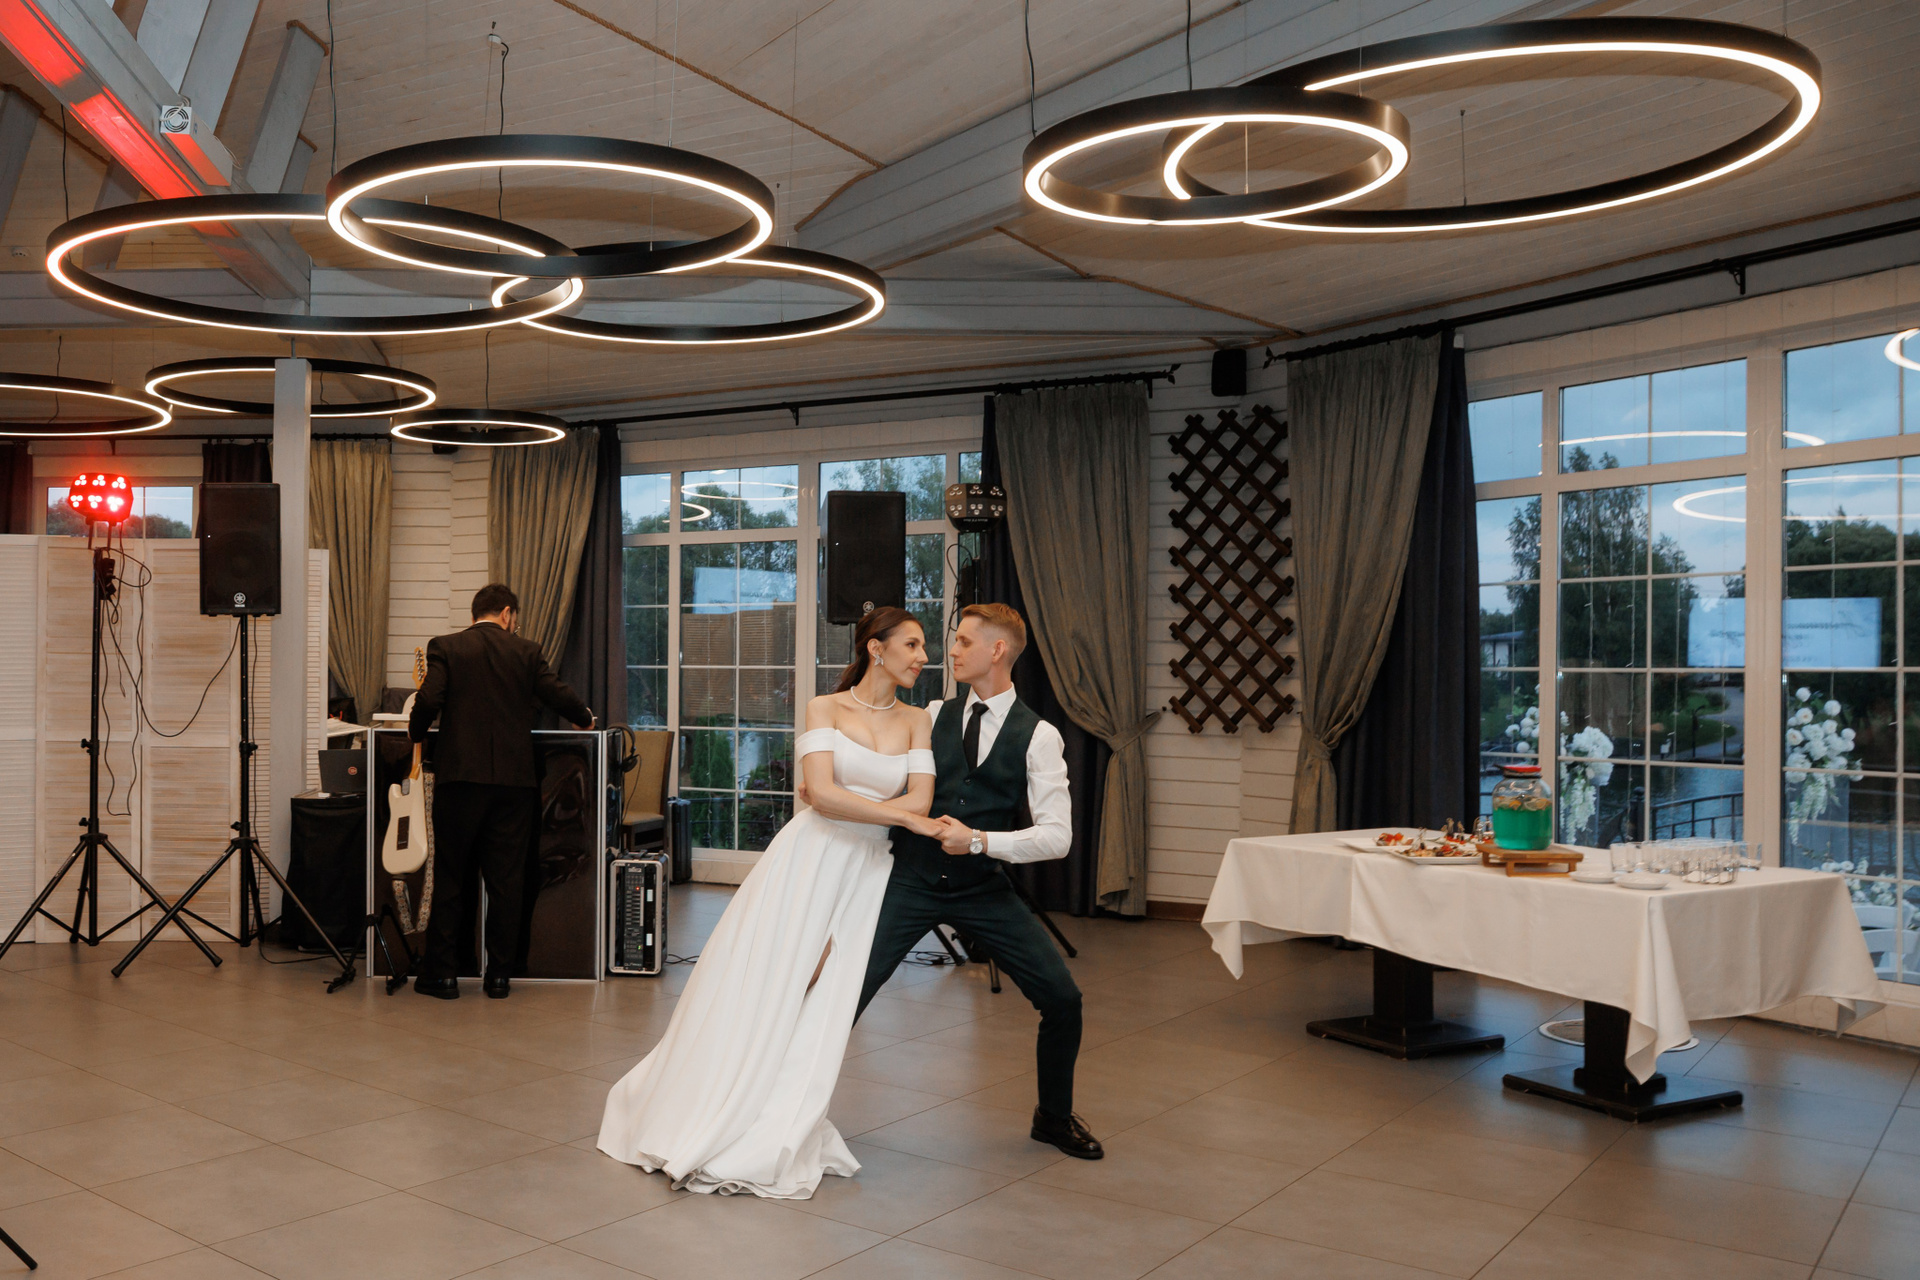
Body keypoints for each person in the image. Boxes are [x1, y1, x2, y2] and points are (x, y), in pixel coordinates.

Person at [598, 606, 941, 1199]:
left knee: (825, 997)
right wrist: (886, 813)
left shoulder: (917, 721)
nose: (923, 656)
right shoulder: (823, 708)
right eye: (912, 644)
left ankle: (782, 1116)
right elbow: (829, 799)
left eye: (924, 646)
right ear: (876, 648)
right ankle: (720, 1098)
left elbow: (918, 801)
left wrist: (854, 805)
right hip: (807, 861)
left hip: (866, 872)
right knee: (773, 981)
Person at [857, 603, 1101, 1159]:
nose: (952, 650)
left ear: (998, 650)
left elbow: (1058, 837)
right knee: (847, 994)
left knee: (1063, 999)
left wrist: (980, 841)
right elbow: (884, 780)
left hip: (982, 889)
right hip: (911, 880)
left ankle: (1053, 1118)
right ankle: (790, 1113)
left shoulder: (1039, 736)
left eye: (965, 641)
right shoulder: (931, 714)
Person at [408, 583, 593, 1001]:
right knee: (506, 882)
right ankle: (499, 977)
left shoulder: (447, 647)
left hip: (460, 782)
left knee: (452, 877)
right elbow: (557, 693)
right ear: (507, 613)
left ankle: (444, 975)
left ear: (477, 613)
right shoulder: (526, 651)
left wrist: (416, 732)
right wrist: (584, 717)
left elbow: (429, 698)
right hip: (514, 785)